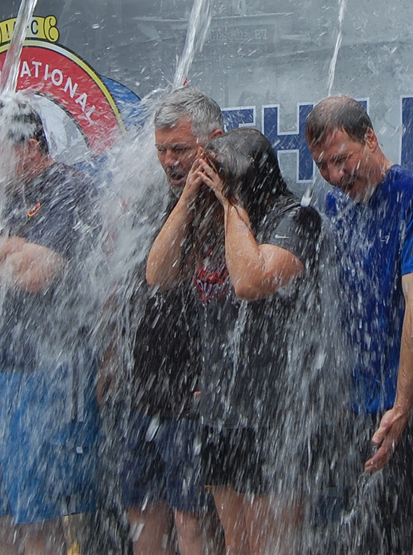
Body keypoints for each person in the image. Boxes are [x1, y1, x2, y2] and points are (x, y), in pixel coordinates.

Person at [144, 128, 322, 555]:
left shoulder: (295, 219)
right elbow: (158, 275)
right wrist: (188, 198)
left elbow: (250, 280)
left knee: (270, 546)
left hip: (276, 415)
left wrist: (232, 202)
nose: (210, 188)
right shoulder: (208, 218)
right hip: (223, 410)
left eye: (219, 179)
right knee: (237, 545)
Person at [0, 97, 105, 555]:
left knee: (39, 523)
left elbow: (38, 274)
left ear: (30, 148)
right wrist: (10, 249)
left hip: (47, 376)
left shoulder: (71, 191)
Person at [304, 96, 413, 555]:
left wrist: (402, 405)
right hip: (358, 405)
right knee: (364, 538)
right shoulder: (334, 208)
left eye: (341, 159)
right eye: (322, 166)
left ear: (370, 138)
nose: (334, 175)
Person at [119, 89, 225, 555]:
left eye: (179, 149)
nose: (168, 162)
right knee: (141, 511)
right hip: (142, 387)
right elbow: (133, 283)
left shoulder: (228, 201)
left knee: (192, 518)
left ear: (211, 142)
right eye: (161, 150)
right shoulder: (149, 197)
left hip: (195, 392)